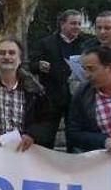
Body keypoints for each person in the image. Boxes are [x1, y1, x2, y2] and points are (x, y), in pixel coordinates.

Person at [0, 37, 55, 150]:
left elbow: (48, 121)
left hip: (25, 153)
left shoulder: (35, 90)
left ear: (20, 59)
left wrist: (32, 134)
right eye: (2, 53)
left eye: (12, 53)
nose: (7, 57)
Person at [28, 9, 85, 149]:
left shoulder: (86, 43)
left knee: (75, 135)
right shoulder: (45, 43)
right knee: (46, 135)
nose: (76, 27)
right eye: (73, 23)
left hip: (77, 96)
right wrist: (39, 65)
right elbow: (31, 64)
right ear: (62, 24)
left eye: (79, 23)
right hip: (51, 97)